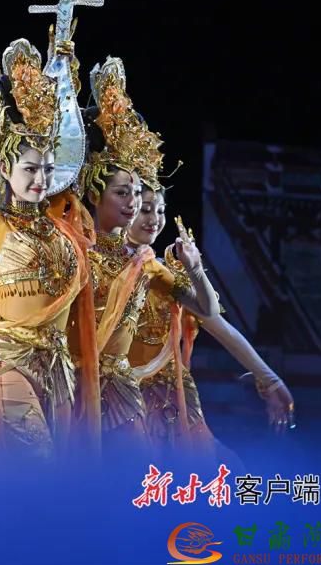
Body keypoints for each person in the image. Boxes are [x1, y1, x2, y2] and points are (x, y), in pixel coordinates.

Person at [0, 33, 97, 461]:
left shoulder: (65, 232)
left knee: (52, 487)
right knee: (35, 467)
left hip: (57, 369)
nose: (40, 180)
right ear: (5, 169)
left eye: (47, 169)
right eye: (29, 169)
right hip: (7, 361)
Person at [79, 57, 220, 454]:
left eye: (137, 195)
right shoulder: (76, 252)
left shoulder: (144, 264)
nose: (133, 204)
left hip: (123, 389)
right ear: (94, 196)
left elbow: (207, 309)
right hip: (75, 381)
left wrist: (196, 269)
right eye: (122, 193)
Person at [126, 183, 295, 459]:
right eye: (145, 209)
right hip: (118, 399)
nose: (154, 219)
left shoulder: (162, 274)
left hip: (170, 400)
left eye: (160, 210)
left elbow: (216, 322)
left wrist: (270, 379)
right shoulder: (98, 265)